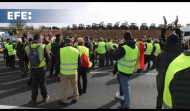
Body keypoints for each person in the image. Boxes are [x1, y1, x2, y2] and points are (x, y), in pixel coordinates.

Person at [156, 16, 184, 109]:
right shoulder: (181, 49)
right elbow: (180, 37)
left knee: (160, 97)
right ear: (177, 42)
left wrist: (165, 24)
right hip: (177, 78)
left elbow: (162, 36)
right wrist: (176, 25)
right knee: (174, 98)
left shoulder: (163, 48)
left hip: (162, 77)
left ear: (167, 41)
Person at [113, 31, 138, 109]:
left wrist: (112, 51)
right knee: (126, 86)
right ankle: (126, 101)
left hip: (123, 70)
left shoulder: (124, 48)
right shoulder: (135, 46)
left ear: (124, 38)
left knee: (126, 88)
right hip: (130, 69)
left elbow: (116, 57)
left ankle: (127, 104)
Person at [24, 34, 50, 104]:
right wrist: (45, 64)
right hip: (42, 68)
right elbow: (48, 58)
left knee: (34, 84)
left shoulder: (27, 47)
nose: (41, 39)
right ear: (39, 39)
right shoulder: (43, 46)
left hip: (32, 68)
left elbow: (25, 59)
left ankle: (33, 99)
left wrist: (31, 63)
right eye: (41, 38)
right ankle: (45, 97)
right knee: (42, 84)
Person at [56, 38, 81, 105]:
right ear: (72, 43)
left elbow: (57, 62)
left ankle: (64, 100)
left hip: (63, 72)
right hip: (74, 72)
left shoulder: (60, 50)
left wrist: (58, 71)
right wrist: (77, 70)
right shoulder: (76, 50)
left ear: (65, 43)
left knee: (64, 87)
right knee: (75, 86)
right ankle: (75, 98)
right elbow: (79, 63)